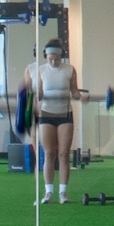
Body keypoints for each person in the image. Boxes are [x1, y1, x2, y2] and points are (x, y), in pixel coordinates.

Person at [26, 39, 88, 203]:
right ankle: (48, 193)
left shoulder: (69, 70)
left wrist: (82, 98)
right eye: (50, 58)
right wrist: (34, 96)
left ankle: (63, 193)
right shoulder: (41, 70)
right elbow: (39, 92)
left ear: (61, 57)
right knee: (48, 153)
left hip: (65, 114)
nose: (53, 62)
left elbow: (74, 92)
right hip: (46, 113)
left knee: (63, 154)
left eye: (56, 59)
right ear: (46, 56)